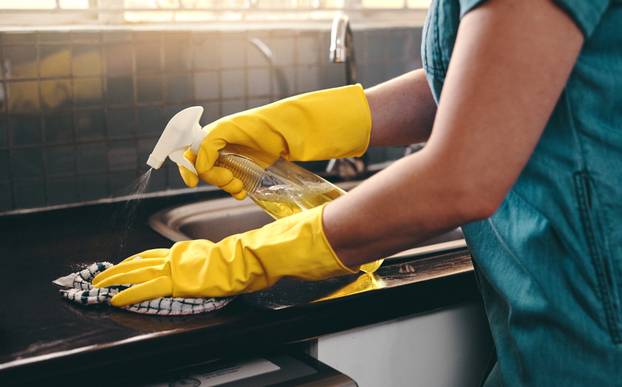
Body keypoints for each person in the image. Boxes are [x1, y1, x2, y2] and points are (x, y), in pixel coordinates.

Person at [94, 0, 622, 385]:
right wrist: (305, 123)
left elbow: (461, 178)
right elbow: (498, 84)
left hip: (595, 338)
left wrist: (247, 257)